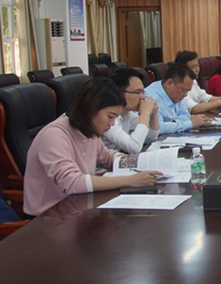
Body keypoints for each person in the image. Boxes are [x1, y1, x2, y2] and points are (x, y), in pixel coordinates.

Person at [23, 78, 161, 217]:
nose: (112, 124)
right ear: (91, 109)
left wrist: (140, 161)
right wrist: (130, 180)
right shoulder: (54, 135)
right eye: (110, 116)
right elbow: (72, 182)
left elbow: (106, 157)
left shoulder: (87, 129)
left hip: (79, 208)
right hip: (49, 217)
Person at [103, 68, 160, 153]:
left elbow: (151, 137)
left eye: (142, 92)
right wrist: (145, 113)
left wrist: (154, 113)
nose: (142, 97)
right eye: (138, 92)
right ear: (120, 93)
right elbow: (134, 147)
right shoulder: (108, 117)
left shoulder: (128, 114)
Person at [144, 62, 212, 133]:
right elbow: (157, 128)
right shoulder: (151, 98)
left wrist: (173, 124)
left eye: (187, 91)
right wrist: (189, 124)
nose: (185, 94)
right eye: (183, 90)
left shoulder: (175, 94)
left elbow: (185, 115)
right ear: (170, 83)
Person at [174, 50, 221, 114]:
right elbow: (193, 108)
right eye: (193, 67)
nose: (197, 70)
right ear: (183, 69)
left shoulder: (193, 81)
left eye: (198, 66)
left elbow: (205, 97)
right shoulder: (179, 86)